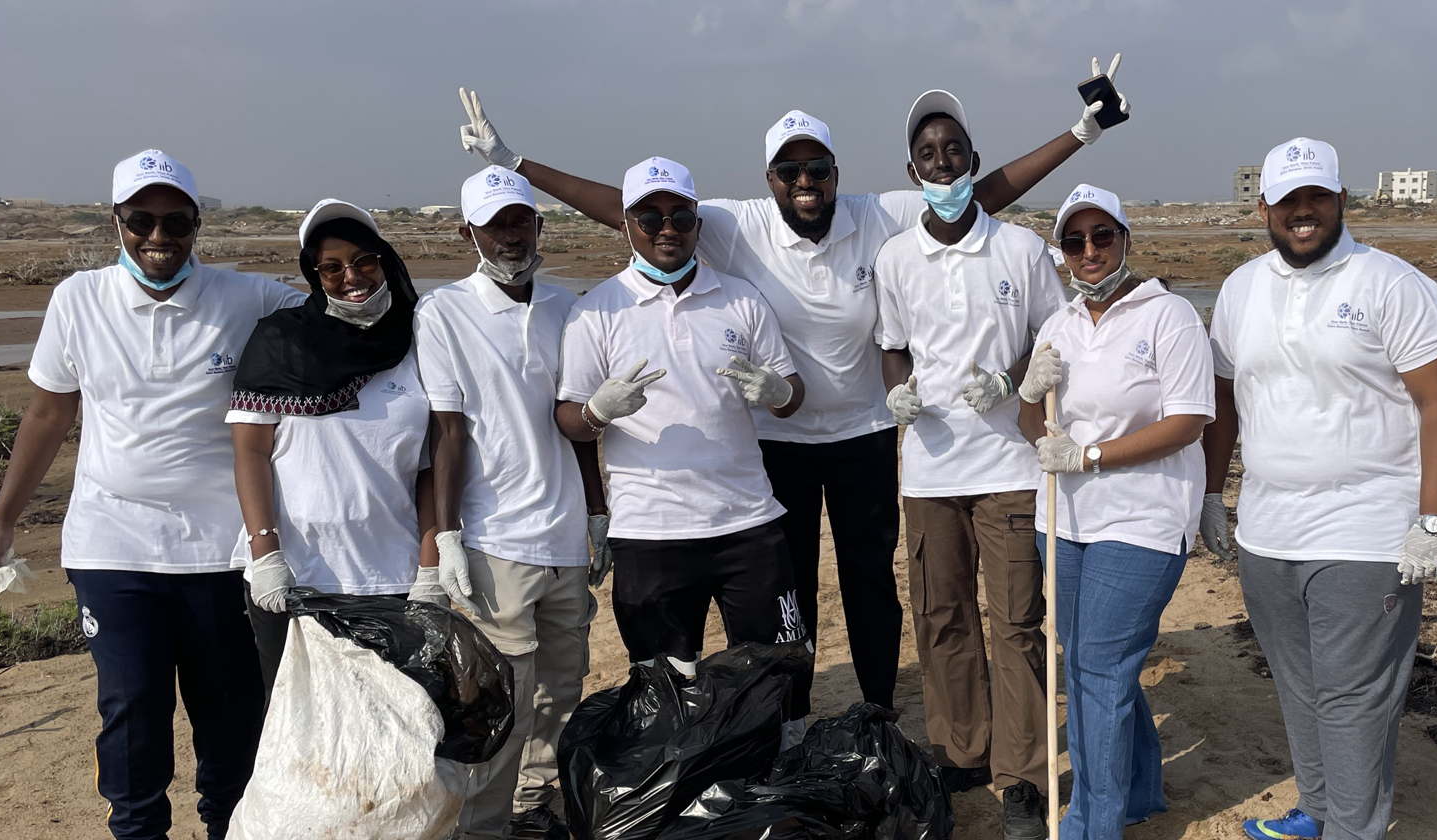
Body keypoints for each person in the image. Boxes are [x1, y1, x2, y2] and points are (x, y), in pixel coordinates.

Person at [455, 60, 1127, 713]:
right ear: (770, 179)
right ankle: (795, 713)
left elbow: (975, 193)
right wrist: (517, 166)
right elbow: (629, 212)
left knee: (871, 580)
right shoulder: (735, 225)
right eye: (790, 171)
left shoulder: (877, 215)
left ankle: (877, 705)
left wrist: (1080, 135)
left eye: (817, 169)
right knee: (793, 588)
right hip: (779, 438)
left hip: (866, 428)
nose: (805, 182)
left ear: (836, 174)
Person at [0, 150, 302, 840]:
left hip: (221, 549)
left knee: (229, 709)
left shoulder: (246, 297)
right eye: (141, 219)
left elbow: (345, 309)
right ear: (116, 223)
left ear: (197, 226)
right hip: (112, 544)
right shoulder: (77, 298)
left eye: (175, 220)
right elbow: (47, 411)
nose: (158, 234)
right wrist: (1, 521)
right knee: (131, 707)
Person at [1201, 138, 1437, 840]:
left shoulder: (1392, 283)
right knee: (1299, 682)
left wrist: (1431, 520)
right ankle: (1317, 808)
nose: (1302, 212)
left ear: (1342, 200)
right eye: (1287, 201)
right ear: (1264, 210)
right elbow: (1223, 404)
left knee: (1355, 697)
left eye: (1316, 197)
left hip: (1367, 526)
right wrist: (1214, 495)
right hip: (1269, 530)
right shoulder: (1241, 289)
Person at [874, 90, 1067, 840]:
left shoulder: (1019, 250)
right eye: (928, 154)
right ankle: (961, 750)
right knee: (942, 616)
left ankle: (1021, 778)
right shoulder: (895, 257)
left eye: (954, 150)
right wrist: (896, 386)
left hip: (1008, 466)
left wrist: (1013, 376)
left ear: (973, 161)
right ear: (912, 169)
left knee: (1016, 623)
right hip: (929, 470)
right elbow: (892, 341)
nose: (943, 163)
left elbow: (1054, 335)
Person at [554, 158, 814, 717]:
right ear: (627, 225)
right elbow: (569, 417)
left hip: (747, 522)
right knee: (666, 690)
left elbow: (793, 399)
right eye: (650, 217)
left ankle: (767, 785)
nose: (667, 228)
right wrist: (598, 412)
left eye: (680, 215)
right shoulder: (597, 311)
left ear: (698, 222)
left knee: (774, 672)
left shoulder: (741, 300)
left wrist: (775, 390)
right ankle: (684, 797)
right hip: (650, 532)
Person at [1009, 185, 1214, 840]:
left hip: (1144, 519)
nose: (1089, 252)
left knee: (1095, 668)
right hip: (1065, 520)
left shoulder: (1171, 316)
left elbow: (1187, 421)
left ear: (1126, 238)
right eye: (1074, 241)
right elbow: (1030, 427)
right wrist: (1032, 398)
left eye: (1102, 236)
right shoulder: (1060, 323)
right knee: (1095, 662)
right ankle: (1138, 793)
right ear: (1061, 251)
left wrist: (1089, 456)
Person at [415, 168, 607, 840]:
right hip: (498, 543)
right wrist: (448, 534)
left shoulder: (569, 308)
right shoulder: (446, 315)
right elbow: (449, 435)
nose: (511, 236)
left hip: (563, 538)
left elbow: (580, 426)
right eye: (495, 225)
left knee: (562, 692)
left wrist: (595, 512)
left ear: (539, 227)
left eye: (521, 222)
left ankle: (529, 807)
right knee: (505, 706)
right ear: (467, 234)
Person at [229, 200, 436, 690]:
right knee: (298, 730)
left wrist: (431, 565)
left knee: (398, 726)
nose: (352, 276)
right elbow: (250, 452)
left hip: (395, 575)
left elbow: (432, 462)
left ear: (384, 260)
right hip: (299, 576)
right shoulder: (279, 342)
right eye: (331, 266)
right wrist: (266, 555)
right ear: (312, 273)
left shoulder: (419, 339)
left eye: (364, 260)